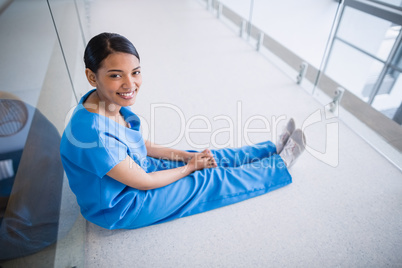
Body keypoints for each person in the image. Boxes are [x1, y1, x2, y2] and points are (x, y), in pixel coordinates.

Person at [60, 32, 306, 230]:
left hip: (137, 167)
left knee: (206, 157)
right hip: (124, 205)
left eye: (135, 72)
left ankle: (270, 149)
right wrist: (189, 167)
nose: (130, 84)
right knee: (206, 179)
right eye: (116, 75)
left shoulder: (104, 102)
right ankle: (279, 166)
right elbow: (144, 182)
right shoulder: (91, 134)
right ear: (92, 77)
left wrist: (188, 157)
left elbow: (141, 145)